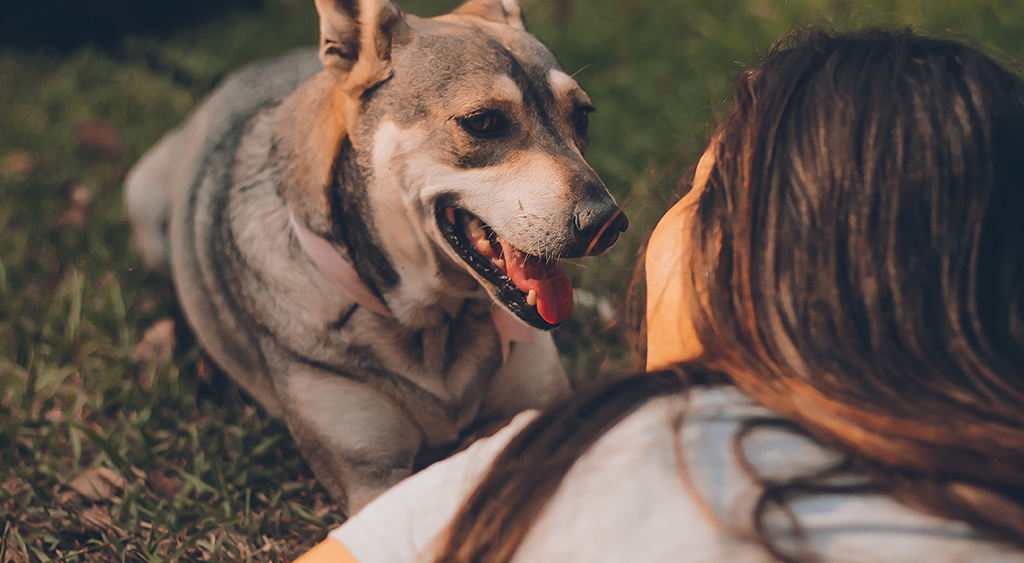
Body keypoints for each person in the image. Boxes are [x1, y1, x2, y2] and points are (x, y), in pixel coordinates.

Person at [296, 28, 1024, 563]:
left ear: (783, 262)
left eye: (700, 193)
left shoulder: (566, 450)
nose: (615, 221)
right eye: (486, 125)